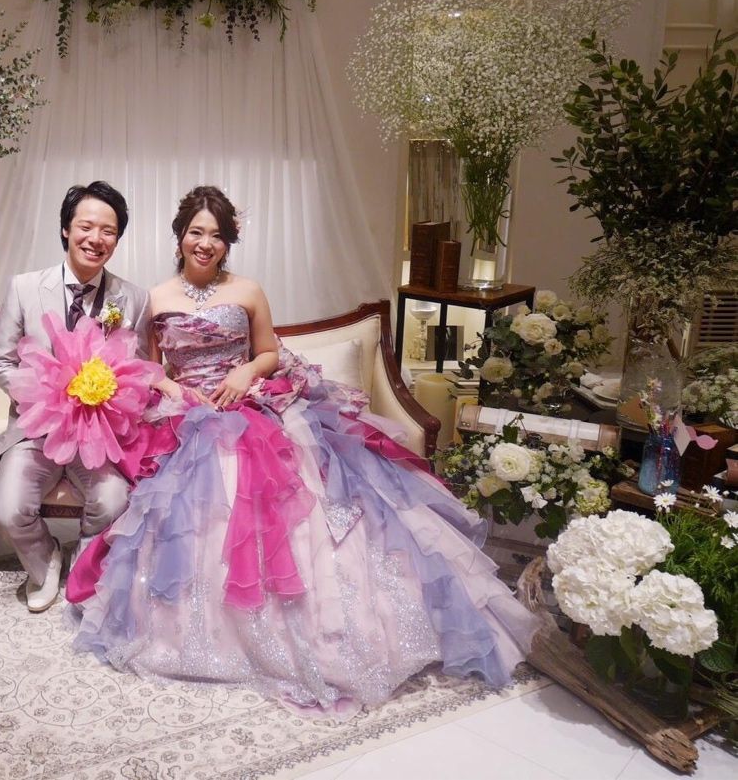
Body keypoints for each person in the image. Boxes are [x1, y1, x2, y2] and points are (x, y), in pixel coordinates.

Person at [67, 186, 540, 712]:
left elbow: (269, 352)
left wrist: (246, 371)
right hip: (189, 416)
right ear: (179, 236)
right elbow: (150, 365)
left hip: (248, 405)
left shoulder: (248, 290)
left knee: (295, 490)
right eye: (196, 232)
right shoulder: (154, 298)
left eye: (217, 235)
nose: (205, 243)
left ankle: (315, 624)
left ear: (228, 242)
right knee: (182, 506)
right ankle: (202, 630)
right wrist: (174, 388)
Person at [0, 181, 151, 612]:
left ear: (117, 239)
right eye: (86, 226)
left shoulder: (133, 299)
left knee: (114, 501)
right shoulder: (24, 287)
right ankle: (45, 561)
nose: (96, 239)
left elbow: (141, 371)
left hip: (97, 436)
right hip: (35, 430)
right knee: (5, 510)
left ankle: (83, 561)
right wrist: (43, 400)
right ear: (66, 229)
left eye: (108, 231)